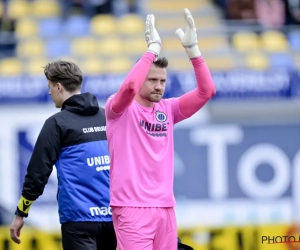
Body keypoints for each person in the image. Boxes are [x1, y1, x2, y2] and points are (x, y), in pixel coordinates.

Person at [105, 8, 216, 250]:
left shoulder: (168, 109)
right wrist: (152, 48)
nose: (159, 86)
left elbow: (206, 91)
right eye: (152, 80)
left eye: (163, 81)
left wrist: (193, 50)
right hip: (132, 208)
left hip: (166, 207)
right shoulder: (118, 109)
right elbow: (129, 88)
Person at [10, 61, 117, 250]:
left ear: (58, 87)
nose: (50, 92)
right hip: (114, 218)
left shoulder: (56, 123)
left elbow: (37, 174)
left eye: (50, 87)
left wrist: (21, 213)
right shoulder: (106, 116)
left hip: (79, 222)